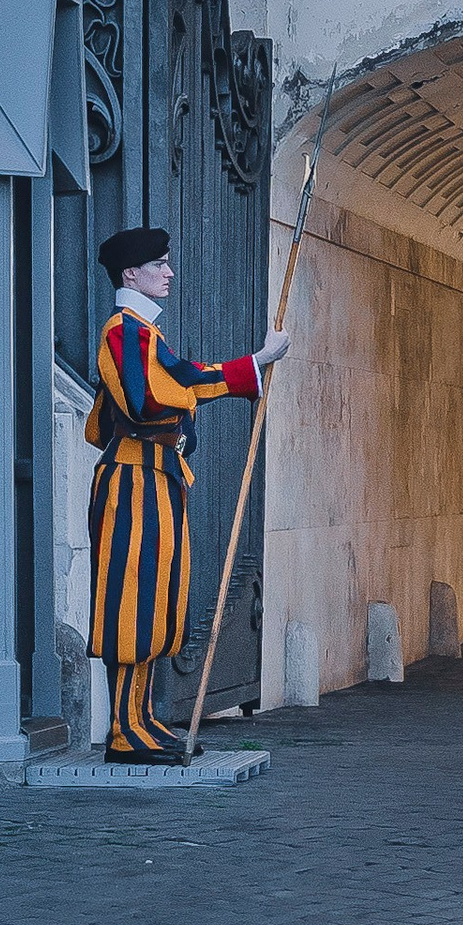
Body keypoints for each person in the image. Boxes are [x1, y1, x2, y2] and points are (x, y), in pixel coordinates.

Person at [87, 225, 292, 763]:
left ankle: (142, 718)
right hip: (132, 479)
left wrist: (253, 364)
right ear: (131, 274)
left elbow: (181, 376)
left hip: (157, 478)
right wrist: (240, 372)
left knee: (159, 600)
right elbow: (145, 399)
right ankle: (122, 730)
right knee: (130, 602)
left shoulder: (146, 335)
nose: (169, 273)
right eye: (159, 265)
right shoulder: (125, 331)